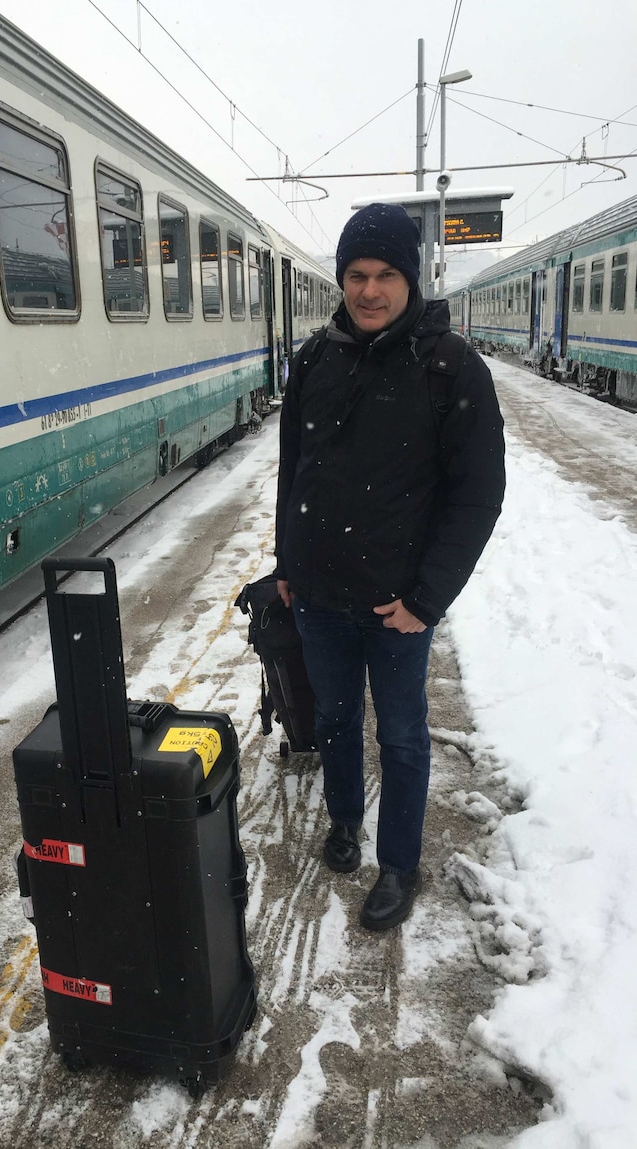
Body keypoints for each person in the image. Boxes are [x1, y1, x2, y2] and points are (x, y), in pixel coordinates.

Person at [274, 202, 505, 932]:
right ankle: (345, 821)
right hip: (318, 596)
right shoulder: (315, 359)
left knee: (402, 736)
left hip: (395, 604)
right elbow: (293, 470)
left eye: (383, 275)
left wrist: (426, 600)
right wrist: (289, 561)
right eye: (354, 275)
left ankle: (399, 862)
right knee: (336, 720)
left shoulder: (450, 368)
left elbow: (478, 496)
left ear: (411, 279)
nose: (367, 290)